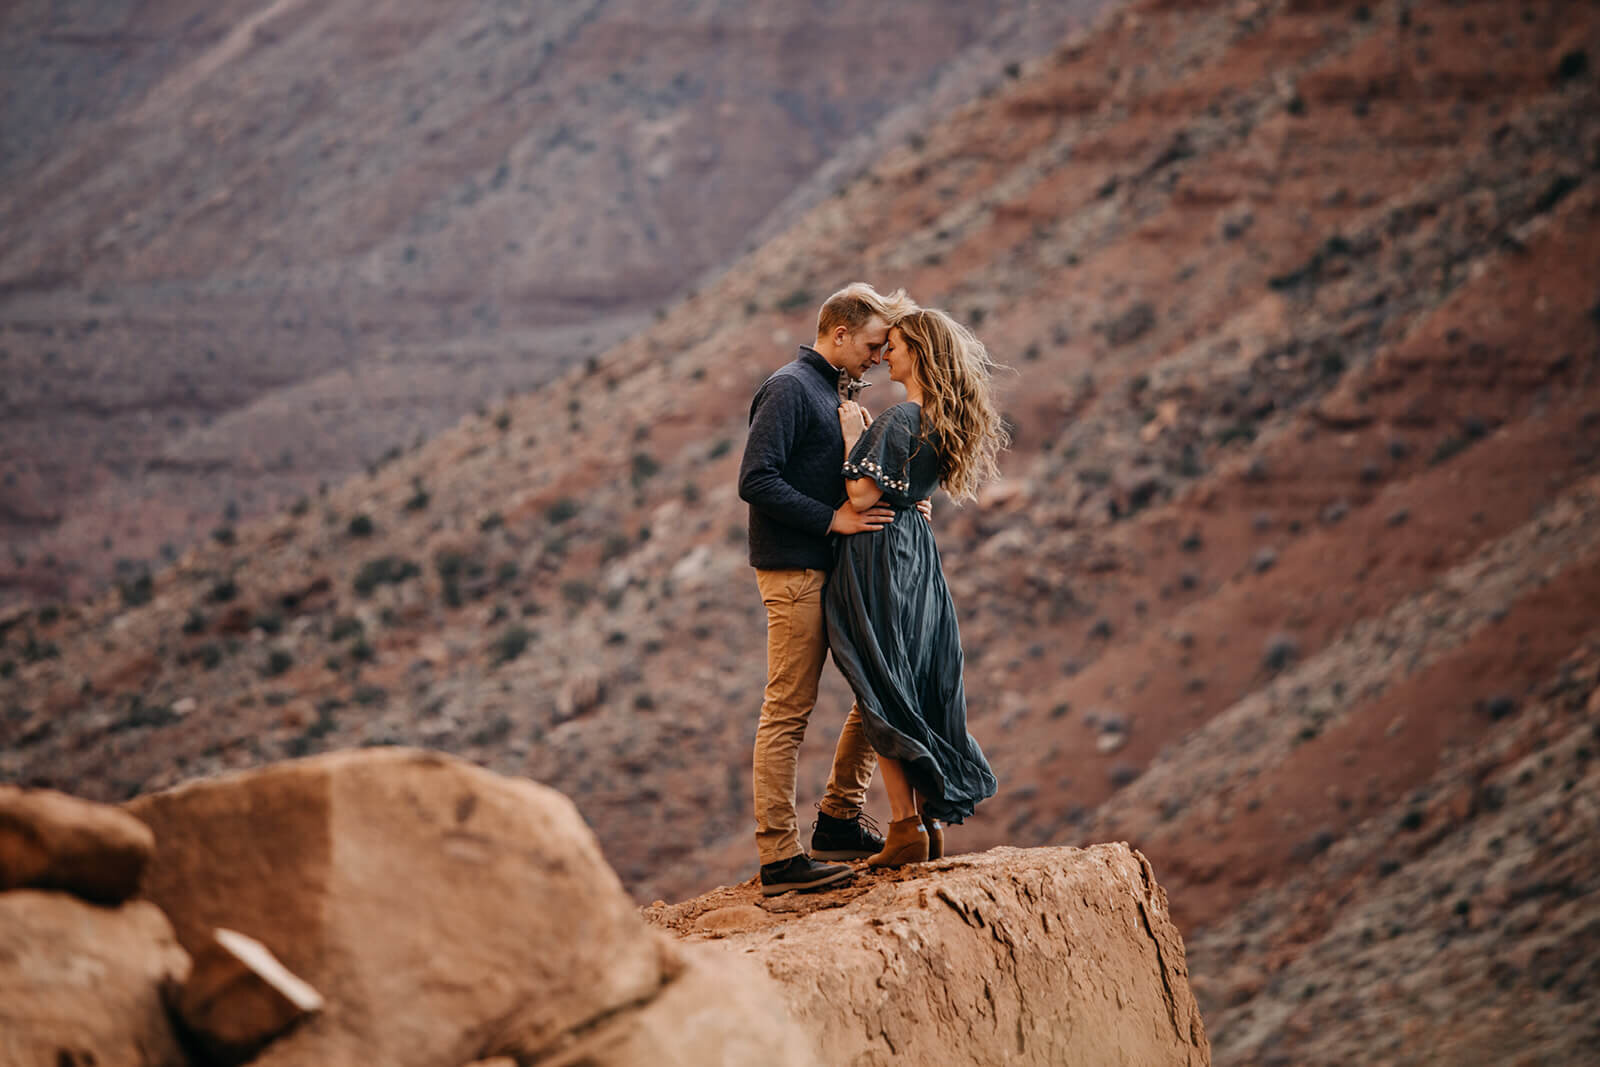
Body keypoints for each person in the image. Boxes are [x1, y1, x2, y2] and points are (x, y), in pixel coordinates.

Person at [737, 282, 919, 896]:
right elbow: (755, 480)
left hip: (831, 567)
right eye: (870, 343)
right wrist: (831, 518)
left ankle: (840, 818)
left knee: (876, 685)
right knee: (788, 710)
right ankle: (779, 859)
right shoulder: (790, 387)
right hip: (793, 569)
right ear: (838, 334)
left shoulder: (833, 391)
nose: (876, 355)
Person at [825, 307, 1007, 867]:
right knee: (911, 678)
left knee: (880, 681)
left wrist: (854, 436)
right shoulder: (943, 419)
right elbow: (908, 490)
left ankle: (905, 827)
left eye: (897, 345)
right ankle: (926, 820)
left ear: (921, 354)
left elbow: (860, 498)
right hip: (915, 557)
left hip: (877, 558)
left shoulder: (901, 417)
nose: (887, 356)